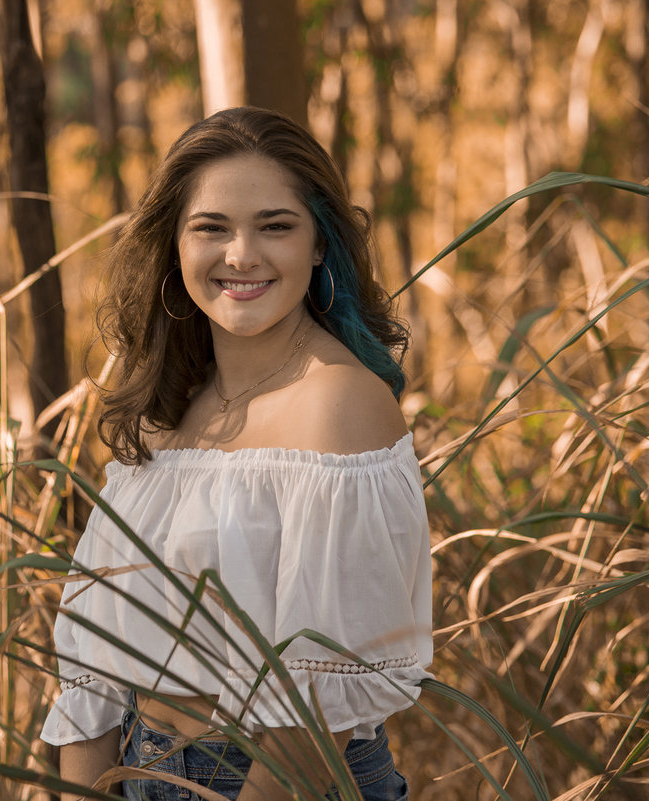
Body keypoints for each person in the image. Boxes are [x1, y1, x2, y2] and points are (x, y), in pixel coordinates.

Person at [40, 107, 433, 801]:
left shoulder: (339, 404)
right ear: (174, 246)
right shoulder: (165, 407)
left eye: (275, 226)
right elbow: (92, 656)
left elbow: (312, 717)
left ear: (318, 244)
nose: (241, 254)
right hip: (137, 770)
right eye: (211, 227)